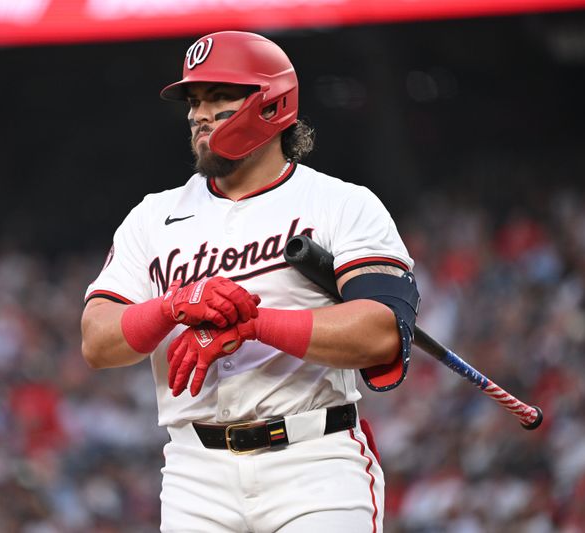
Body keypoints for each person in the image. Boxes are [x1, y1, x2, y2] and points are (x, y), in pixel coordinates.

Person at [81, 30, 420, 532]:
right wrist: (174, 304)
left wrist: (257, 325)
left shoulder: (342, 203)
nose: (199, 113)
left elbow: (382, 332)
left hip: (314, 463)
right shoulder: (153, 216)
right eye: (194, 100)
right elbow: (97, 341)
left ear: (271, 104)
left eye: (219, 97)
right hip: (196, 473)